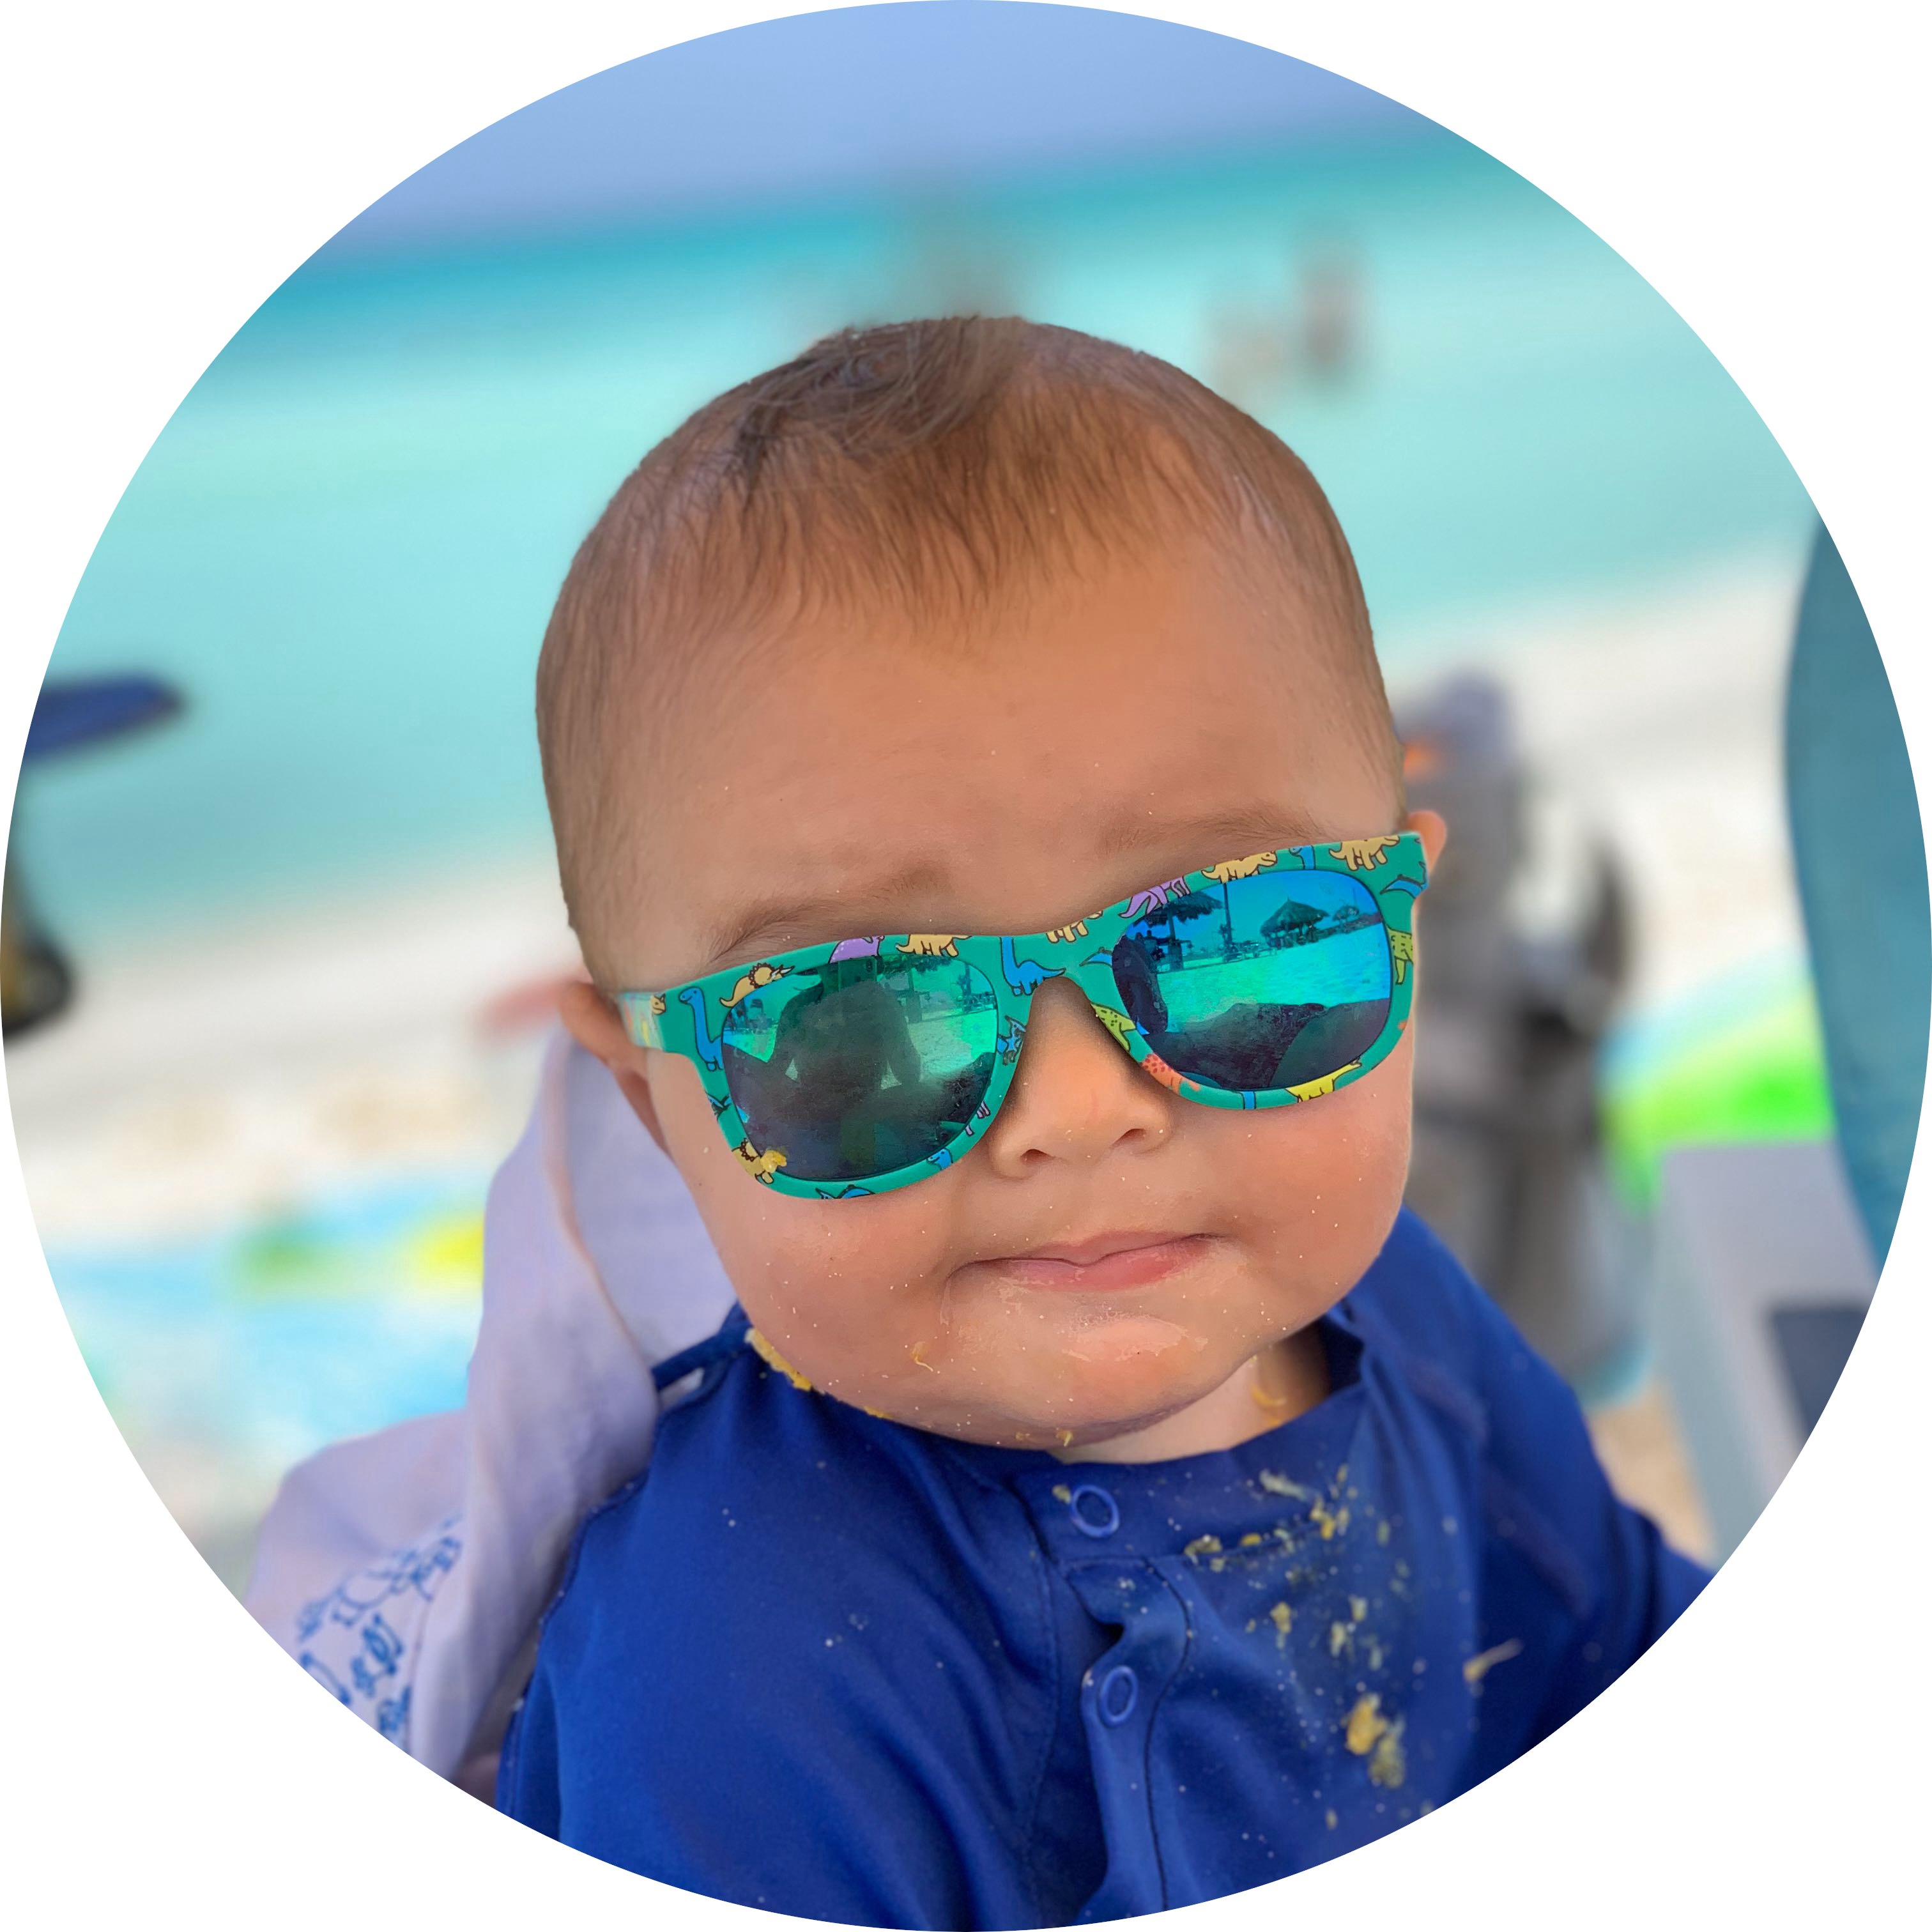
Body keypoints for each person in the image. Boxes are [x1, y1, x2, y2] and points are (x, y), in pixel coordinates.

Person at [254, 319, 1706, 1920]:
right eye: (864, 1021)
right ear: (655, 1102)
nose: (1077, 1112)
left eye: (1238, 943)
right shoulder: (740, 1674)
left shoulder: (1408, 1312)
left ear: (1409, 930)